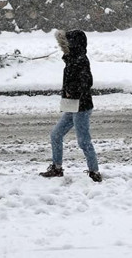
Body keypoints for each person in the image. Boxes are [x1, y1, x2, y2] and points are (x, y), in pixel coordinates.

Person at [40, 29, 102, 182]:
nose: (63, 46)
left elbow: (87, 82)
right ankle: (57, 168)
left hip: (82, 106)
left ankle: (94, 172)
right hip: (71, 105)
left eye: (66, 42)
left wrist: (71, 92)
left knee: (83, 141)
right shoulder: (71, 59)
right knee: (56, 134)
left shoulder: (80, 60)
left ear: (74, 43)